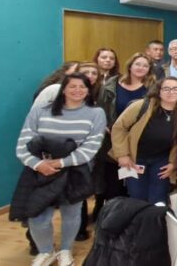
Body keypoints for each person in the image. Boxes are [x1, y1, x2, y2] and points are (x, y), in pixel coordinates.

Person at [16, 73, 106, 266]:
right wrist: (38, 164)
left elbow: (91, 146)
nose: (77, 90)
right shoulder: (40, 110)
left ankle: (66, 250)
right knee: (37, 217)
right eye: (72, 86)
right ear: (63, 89)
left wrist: (60, 163)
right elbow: (24, 142)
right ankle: (46, 251)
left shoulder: (96, 113)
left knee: (71, 214)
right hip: (40, 171)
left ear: (88, 90)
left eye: (82, 87)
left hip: (74, 171)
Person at [110, 77, 177, 204]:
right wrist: (122, 155)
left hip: (162, 160)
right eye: (166, 89)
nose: (171, 92)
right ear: (159, 91)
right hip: (135, 159)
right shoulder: (141, 106)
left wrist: (174, 163)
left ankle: (155, 218)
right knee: (137, 197)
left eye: (175, 89)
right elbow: (119, 128)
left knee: (158, 198)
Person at [113, 53, 156, 117]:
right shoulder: (114, 84)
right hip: (115, 122)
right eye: (137, 64)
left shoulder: (153, 88)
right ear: (130, 67)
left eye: (145, 66)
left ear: (149, 70)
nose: (140, 68)